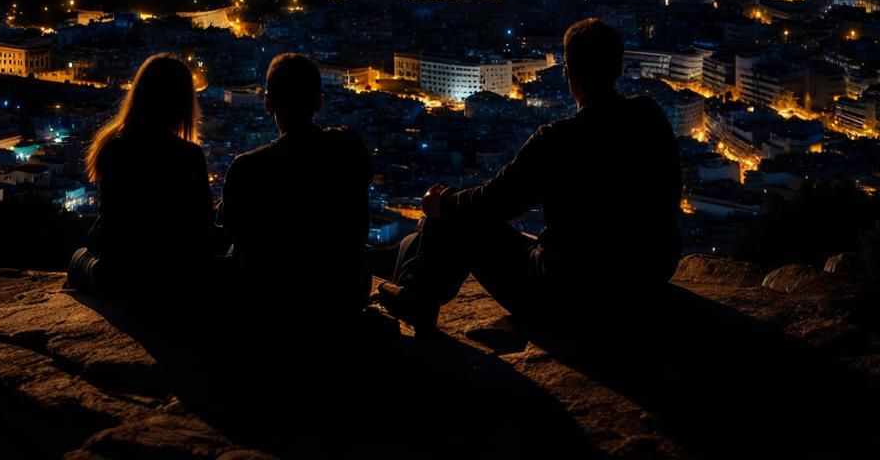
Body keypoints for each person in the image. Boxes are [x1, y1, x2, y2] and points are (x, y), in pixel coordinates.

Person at [378, 18, 682, 333]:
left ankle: (416, 299)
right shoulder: (649, 116)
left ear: (568, 73)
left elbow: (494, 201)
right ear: (618, 68)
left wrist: (442, 201)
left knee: (453, 218)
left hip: (570, 291)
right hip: (647, 274)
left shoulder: (558, 139)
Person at [218, 53, 374, 316]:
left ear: (267, 103)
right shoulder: (349, 147)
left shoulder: (247, 168)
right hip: (345, 291)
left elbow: (234, 236)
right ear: (320, 102)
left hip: (274, 302)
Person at [68, 54, 215, 304]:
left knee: (79, 257)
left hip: (126, 278)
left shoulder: (115, 149)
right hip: (176, 278)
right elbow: (201, 227)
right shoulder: (190, 155)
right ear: (184, 104)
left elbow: (110, 228)